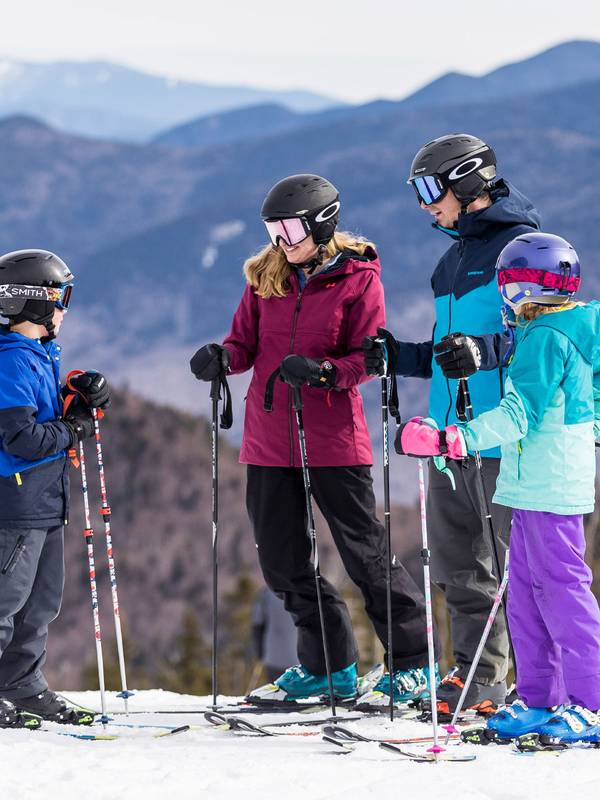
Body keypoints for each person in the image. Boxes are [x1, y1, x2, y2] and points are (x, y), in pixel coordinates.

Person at [190, 174, 439, 705]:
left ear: (322, 222)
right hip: (269, 437)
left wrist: (326, 373)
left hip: (333, 438)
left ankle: (413, 662)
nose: (281, 238)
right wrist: (222, 359)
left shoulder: (358, 278)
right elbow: (244, 343)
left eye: (290, 227)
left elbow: (369, 358)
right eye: (272, 228)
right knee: (282, 559)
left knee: (363, 553)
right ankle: (328, 666)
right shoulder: (264, 278)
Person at [395, 232, 600, 744]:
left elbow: (518, 415)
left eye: (506, 288)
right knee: (525, 597)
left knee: (562, 593)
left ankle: (591, 704)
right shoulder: (561, 331)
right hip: (529, 484)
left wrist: (455, 436)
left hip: (550, 488)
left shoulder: (548, 337)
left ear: (521, 289)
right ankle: (540, 697)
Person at [362, 133, 542, 715]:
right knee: (460, 564)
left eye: (429, 189)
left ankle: (546, 683)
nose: (423, 204)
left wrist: (486, 352)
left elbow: (546, 340)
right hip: (447, 436)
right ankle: (481, 678)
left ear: (466, 182)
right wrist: (397, 356)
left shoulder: (525, 249)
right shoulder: (453, 259)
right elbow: (449, 353)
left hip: (500, 434)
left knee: (517, 566)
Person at [0, 249, 110, 729]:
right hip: (16, 504)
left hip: (45, 502)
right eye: (59, 298)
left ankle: (20, 683)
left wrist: (77, 389)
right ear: (32, 303)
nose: (65, 309)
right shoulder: (9, 362)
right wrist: (75, 428)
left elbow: (42, 411)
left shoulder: (34, 354)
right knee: (5, 601)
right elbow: (22, 439)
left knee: (40, 602)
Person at [252, 587, 298, 683]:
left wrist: (259, 653)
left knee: (277, 692)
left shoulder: (266, 593)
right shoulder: (304, 590)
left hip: (274, 657)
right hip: (301, 658)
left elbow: (257, 625)